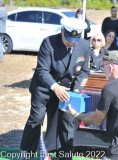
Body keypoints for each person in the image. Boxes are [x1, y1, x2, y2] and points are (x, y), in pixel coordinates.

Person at [19, 18, 91, 160]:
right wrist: (55, 87)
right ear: (62, 31)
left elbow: (84, 71)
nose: (72, 43)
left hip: (67, 90)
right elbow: (42, 71)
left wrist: (75, 92)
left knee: (67, 120)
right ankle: (26, 153)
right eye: (69, 39)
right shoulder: (48, 43)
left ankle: (64, 154)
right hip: (44, 88)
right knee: (36, 119)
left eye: (75, 40)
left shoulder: (84, 45)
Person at [65, 50, 118, 160]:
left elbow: (97, 120)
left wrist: (75, 114)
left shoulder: (110, 88)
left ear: (111, 67)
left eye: (103, 66)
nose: (103, 69)